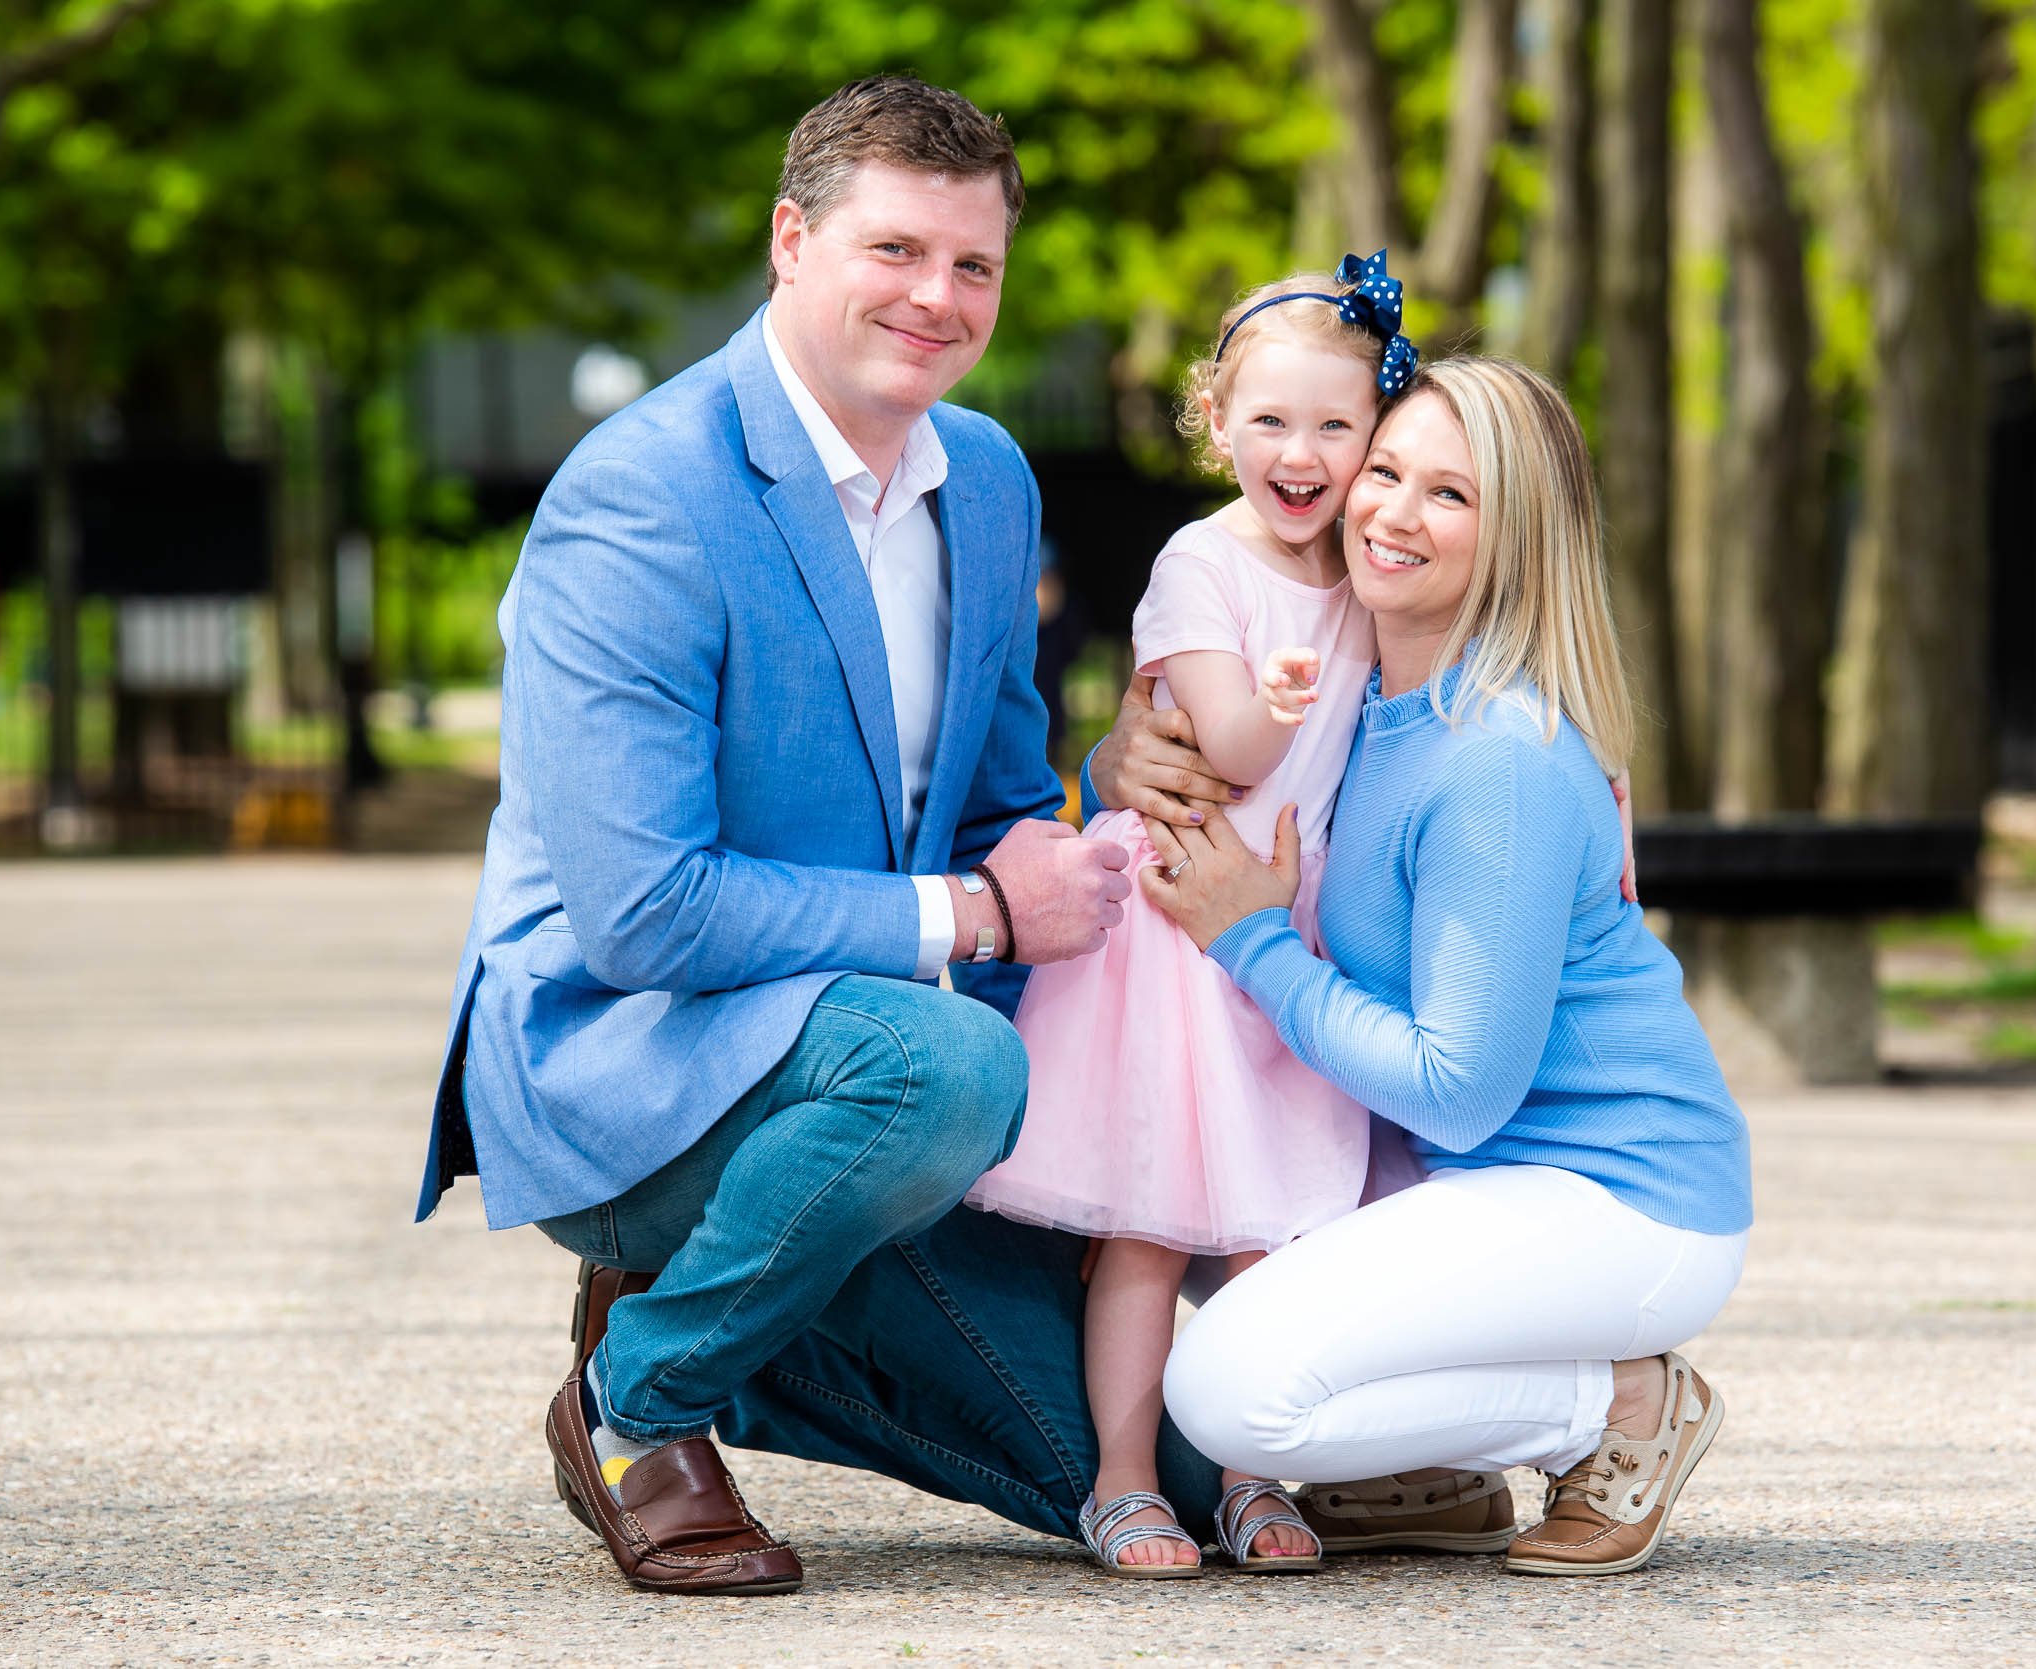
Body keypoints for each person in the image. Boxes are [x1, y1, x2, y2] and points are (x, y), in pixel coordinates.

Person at [417, 77, 1194, 1597]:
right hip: (628, 1059)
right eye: (896, 249)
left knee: (1182, 1470)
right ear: (791, 239)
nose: (937, 296)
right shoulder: (641, 498)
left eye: (974, 265)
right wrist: (974, 916)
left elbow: (998, 806)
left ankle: (761, 1316)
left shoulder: (989, 479)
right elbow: (645, 914)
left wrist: (1102, 865)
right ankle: (639, 1398)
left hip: (866, 1076)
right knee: (948, 1064)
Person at [1121, 356, 1754, 1578]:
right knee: (1172, 1190)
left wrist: (1248, 941)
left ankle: (1618, 1403)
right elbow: (1217, 749)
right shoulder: (1363, 706)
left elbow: (1458, 1087)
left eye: (1450, 495)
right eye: (1387, 471)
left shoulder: (1496, 763)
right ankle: (1429, 1471)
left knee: (1232, 1394)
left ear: (1514, 536)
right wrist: (1122, 755)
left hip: (1614, 1193)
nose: (1394, 514)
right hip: (1468, 1177)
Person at [964, 259, 1414, 1576]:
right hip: (1180, 931)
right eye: (1270, 419)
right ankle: (1119, 1479)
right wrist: (1274, 695)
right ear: (1216, 420)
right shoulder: (1199, 564)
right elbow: (1226, 739)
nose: (1302, 451)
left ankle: (1253, 1472)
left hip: (1288, 923)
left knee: (1274, 1235)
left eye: (1337, 425)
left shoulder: (1371, 569)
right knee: (1155, 1229)